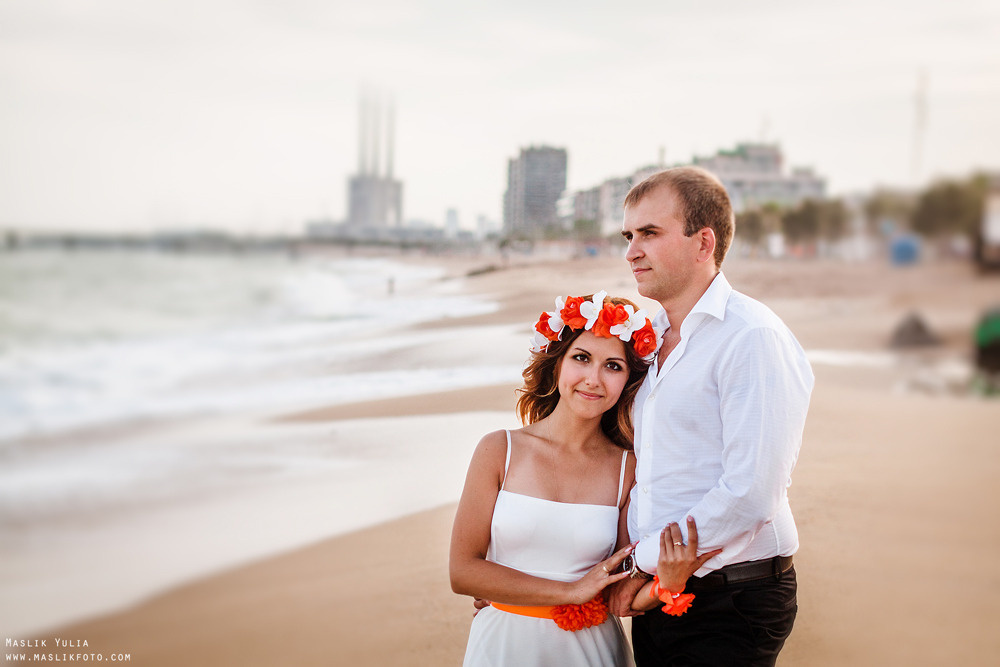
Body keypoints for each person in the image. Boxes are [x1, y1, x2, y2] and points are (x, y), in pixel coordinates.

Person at [609, 166, 815, 666]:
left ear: (704, 243)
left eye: (650, 234)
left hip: (732, 598)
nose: (632, 251)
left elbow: (751, 493)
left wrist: (640, 561)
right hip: (659, 591)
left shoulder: (751, 337)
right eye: (629, 235)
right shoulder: (651, 337)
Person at [451, 291, 705, 666]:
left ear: (628, 381)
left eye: (613, 366)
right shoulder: (499, 450)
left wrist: (668, 583)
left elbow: (620, 593)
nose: (593, 379)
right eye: (581, 358)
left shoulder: (629, 469)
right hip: (502, 647)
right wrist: (570, 592)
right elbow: (463, 572)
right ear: (557, 364)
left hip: (590, 650)